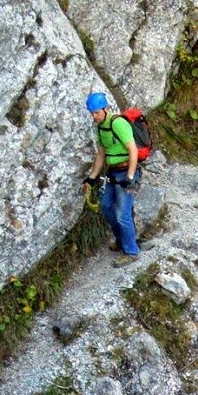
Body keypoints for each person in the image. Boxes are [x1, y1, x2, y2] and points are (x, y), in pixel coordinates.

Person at [82, 92, 143, 268]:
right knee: (106, 206)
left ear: (106, 109)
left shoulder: (118, 123)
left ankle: (132, 251)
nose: (94, 117)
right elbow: (102, 153)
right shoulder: (101, 127)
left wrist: (131, 178)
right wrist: (91, 178)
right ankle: (123, 240)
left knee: (122, 214)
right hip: (113, 172)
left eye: (96, 113)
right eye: (92, 113)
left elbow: (133, 150)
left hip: (126, 172)